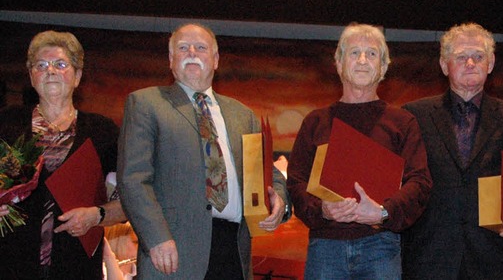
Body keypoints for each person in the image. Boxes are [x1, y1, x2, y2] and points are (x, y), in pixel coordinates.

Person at [117, 23, 290, 280]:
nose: (192, 53)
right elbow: (133, 178)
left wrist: (279, 200)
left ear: (216, 59)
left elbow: (268, 172)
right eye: (183, 48)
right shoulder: (146, 104)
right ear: (170, 59)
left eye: (201, 47)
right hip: (172, 248)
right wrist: (156, 238)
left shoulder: (244, 115)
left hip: (232, 250)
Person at [401, 22, 503, 279]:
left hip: (492, 261)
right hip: (427, 260)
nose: (470, 63)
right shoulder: (414, 116)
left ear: (490, 64)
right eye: (461, 57)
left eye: (478, 57)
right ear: (444, 65)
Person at [287, 23, 432, 280]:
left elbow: (419, 182)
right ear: (339, 63)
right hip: (325, 247)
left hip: (381, 245)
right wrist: (322, 209)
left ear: (384, 67)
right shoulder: (315, 122)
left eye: (372, 54)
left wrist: (383, 212)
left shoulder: (402, 122)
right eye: (354, 53)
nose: (363, 60)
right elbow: (296, 182)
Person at [0, 30, 126, 279]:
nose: (51, 71)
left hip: (76, 265)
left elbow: (129, 201)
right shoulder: (6, 123)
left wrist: (96, 215)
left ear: (77, 76)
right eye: (41, 65)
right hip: (10, 263)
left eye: (60, 64)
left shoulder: (102, 131)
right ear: (31, 76)